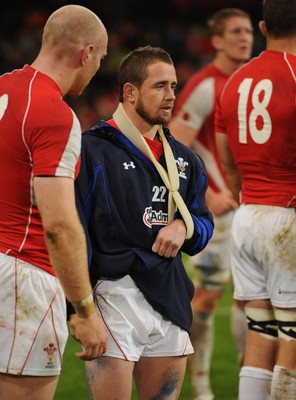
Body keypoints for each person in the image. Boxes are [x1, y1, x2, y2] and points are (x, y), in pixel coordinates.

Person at [72, 45, 214, 400]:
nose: (171, 97)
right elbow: (73, 230)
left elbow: (203, 223)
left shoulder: (185, 159)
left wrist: (185, 227)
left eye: (174, 86)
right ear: (130, 92)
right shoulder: (91, 150)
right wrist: (78, 308)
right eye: (160, 86)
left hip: (170, 298)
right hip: (112, 297)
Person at [0, 5, 108, 400]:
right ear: (86, 53)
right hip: (21, 277)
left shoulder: (4, 88)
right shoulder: (55, 115)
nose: (97, 68)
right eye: (100, 58)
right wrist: (84, 311)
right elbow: (59, 226)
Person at [169, 8, 254, 400]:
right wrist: (206, 195)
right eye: (235, 31)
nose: (245, 37)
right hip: (218, 212)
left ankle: (248, 379)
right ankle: (201, 386)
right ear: (216, 41)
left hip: (251, 206)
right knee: (206, 298)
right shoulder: (205, 85)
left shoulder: (254, 81)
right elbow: (174, 145)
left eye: (249, 30)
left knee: (252, 298)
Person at [215, 0, 296, 398]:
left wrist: (243, 196)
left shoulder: (235, 82)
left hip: (248, 216)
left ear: (263, 27)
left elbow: (226, 159)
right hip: (288, 217)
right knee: (293, 342)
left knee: (261, 333)